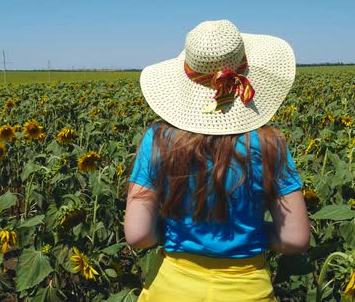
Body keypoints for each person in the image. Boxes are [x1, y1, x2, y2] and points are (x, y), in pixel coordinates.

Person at [124, 20, 310, 301]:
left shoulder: (159, 139)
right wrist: (251, 234)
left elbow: (138, 235)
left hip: (172, 289)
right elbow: (295, 238)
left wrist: (179, 232)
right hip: (248, 290)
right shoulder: (271, 144)